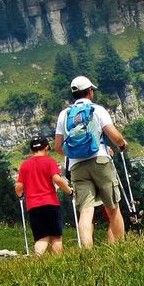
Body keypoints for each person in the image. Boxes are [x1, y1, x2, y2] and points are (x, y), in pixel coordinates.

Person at [53, 75, 129, 248]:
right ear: (89, 92)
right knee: (112, 207)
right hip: (100, 160)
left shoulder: (64, 114)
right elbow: (115, 136)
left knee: (86, 210)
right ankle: (119, 247)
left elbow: (57, 146)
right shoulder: (97, 110)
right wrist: (122, 144)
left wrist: (74, 154)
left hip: (77, 166)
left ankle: (87, 250)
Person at [15, 135, 73, 255]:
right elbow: (57, 179)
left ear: (31, 150)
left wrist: (20, 195)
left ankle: (38, 258)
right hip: (50, 203)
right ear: (46, 148)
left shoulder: (24, 165)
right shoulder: (50, 161)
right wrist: (69, 191)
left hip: (33, 206)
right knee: (56, 236)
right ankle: (58, 260)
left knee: (41, 237)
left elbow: (19, 187)